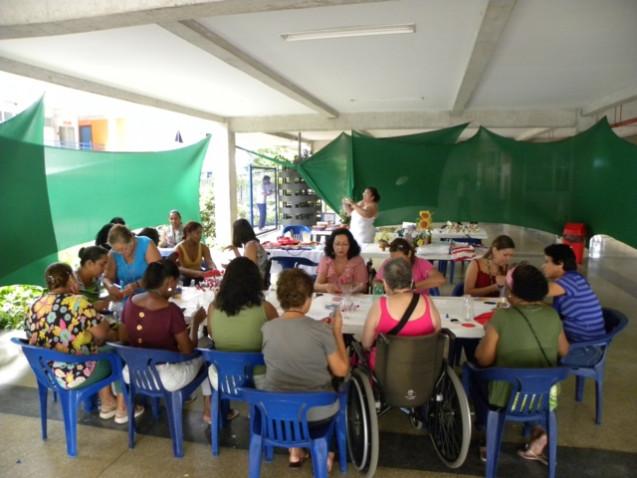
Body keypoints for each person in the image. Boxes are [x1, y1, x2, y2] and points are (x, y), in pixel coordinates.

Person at [473, 264, 569, 463]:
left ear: (512, 291)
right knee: (533, 380)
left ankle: (488, 437)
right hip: (545, 397)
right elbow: (564, 351)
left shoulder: (502, 317)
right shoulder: (552, 315)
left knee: (472, 376)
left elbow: (484, 360)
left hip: (507, 398)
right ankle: (538, 428)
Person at [26, 263, 142, 424]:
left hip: (48, 373)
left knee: (97, 349)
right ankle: (123, 409)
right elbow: (101, 333)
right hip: (75, 373)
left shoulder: (34, 305)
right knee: (117, 352)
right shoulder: (78, 302)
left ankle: (108, 403)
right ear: (70, 279)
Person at [262, 269, 349, 468]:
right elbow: (341, 370)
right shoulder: (321, 331)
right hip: (315, 414)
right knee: (338, 387)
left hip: (277, 413)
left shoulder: (267, 328)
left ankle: (295, 450)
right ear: (308, 300)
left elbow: (292, 338)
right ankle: (327, 454)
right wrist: (336, 333)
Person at [201, 257, 278, 423]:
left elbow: (212, 336)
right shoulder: (266, 308)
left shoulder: (213, 307)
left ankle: (213, 411)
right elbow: (277, 341)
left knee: (209, 359)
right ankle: (265, 413)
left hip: (223, 378)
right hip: (259, 379)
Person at [120, 260, 207, 396]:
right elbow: (188, 351)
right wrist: (195, 323)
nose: (176, 286)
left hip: (132, 373)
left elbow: (124, 338)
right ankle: (208, 410)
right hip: (165, 377)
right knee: (207, 356)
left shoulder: (130, 302)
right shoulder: (171, 310)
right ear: (170, 282)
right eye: (177, 282)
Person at [362, 258, 441, 368]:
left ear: (386, 283)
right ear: (411, 280)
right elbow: (437, 335)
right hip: (423, 371)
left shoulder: (380, 306)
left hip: (385, 372)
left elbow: (366, 344)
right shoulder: (427, 302)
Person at [543, 244, 605, 366]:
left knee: (537, 352)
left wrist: (511, 279)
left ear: (560, 263)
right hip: (581, 343)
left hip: (587, 350)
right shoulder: (573, 279)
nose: (543, 266)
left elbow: (534, 291)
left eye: (547, 261)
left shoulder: (571, 281)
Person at [103, 224, 161, 301]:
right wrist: (110, 286)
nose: (121, 253)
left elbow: (158, 273)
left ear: (131, 240)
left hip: (152, 296)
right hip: (127, 299)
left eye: (124, 249)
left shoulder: (146, 243)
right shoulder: (114, 253)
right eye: (117, 250)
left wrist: (136, 285)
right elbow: (107, 277)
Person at [374, 238, 446, 294]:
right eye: (393, 259)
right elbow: (377, 280)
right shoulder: (389, 263)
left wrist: (410, 286)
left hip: (418, 303)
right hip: (396, 302)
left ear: (409, 253)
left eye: (400, 259)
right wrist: (382, 287)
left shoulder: (421, 263)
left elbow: (440, 280)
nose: (397, 263)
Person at [314, 228, 368, 294]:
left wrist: (355, 289)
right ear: (332, 245)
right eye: (337, 244)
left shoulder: (357, 261)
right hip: (330, 299)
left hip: (351, 299)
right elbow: (316, 286)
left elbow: (363, 287)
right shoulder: (326, 260)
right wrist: (326, 286)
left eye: (345, 244)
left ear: (350, 246)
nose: (340, 248)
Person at [226, 218, 269, 283]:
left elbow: (248, 268)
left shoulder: (251, 245)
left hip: (255, 281)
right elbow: (244, 263)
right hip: (255, 277)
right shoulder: (251, 244)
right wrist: (235, 250)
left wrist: (232, 267)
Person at [74, 245, 111, 312]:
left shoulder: (97, 279)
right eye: (102, 264)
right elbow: (71, 309)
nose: (105, 268)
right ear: (89, 263)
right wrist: (92, 307)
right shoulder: (71, 283)